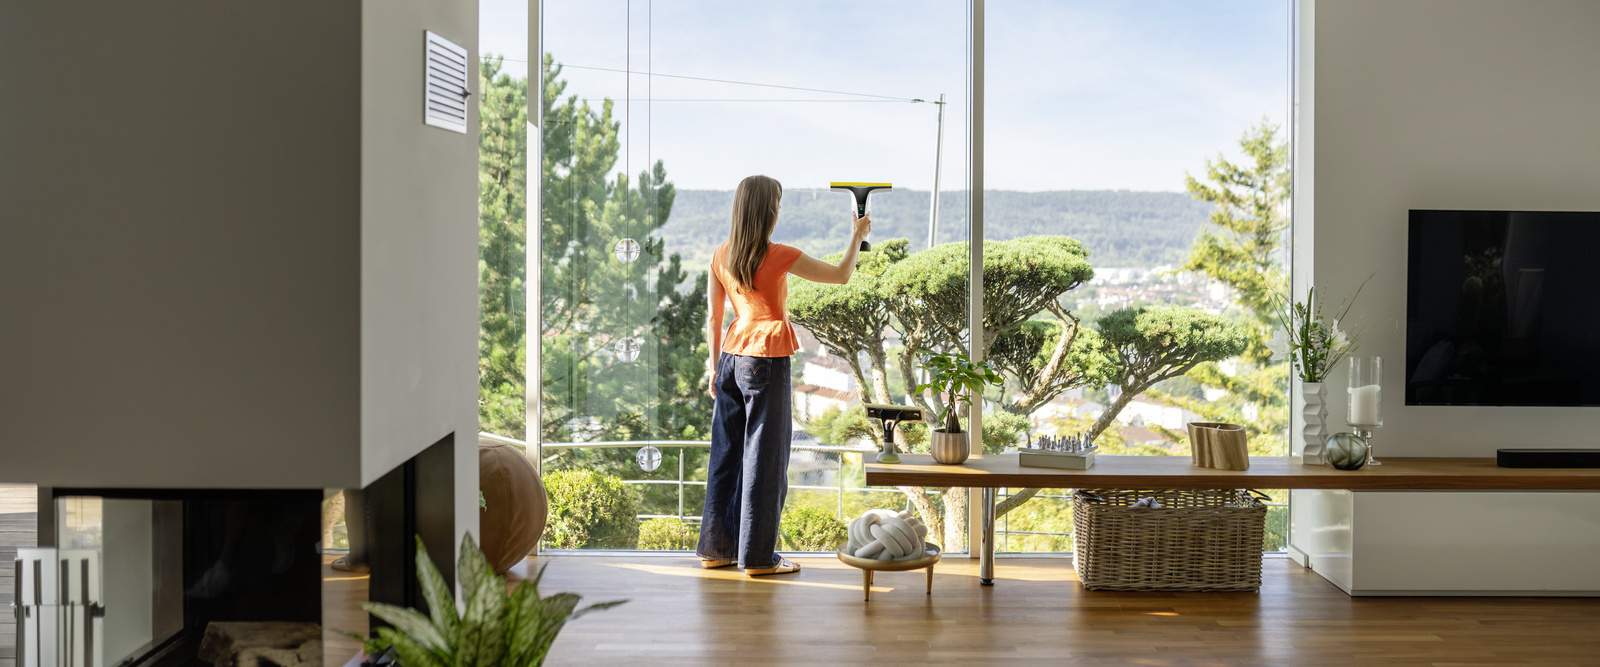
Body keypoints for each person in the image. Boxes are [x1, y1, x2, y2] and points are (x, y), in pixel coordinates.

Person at [697, 175, 871, 576]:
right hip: (766, 359)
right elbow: (841, 275)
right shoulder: (780, 255)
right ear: (768, 211)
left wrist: (712, 366)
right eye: (777, 203)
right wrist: (856, 235)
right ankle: (758, 558)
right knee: (766, 457)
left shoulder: (720, 254)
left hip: (729, 359)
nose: (779, 209)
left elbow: (713, 317)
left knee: (726, 455)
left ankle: (716, 549)